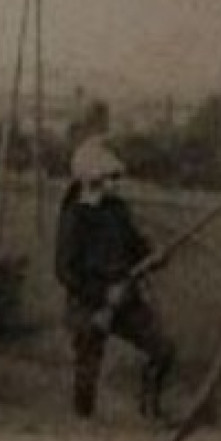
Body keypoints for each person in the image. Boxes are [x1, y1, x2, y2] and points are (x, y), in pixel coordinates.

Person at [55, 135, 174, 421]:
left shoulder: (117, 210)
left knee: (163, 350)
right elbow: (65, 270)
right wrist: (101, 295)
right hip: (88, 302)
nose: (116, 182)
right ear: (91, 178)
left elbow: (136, 247)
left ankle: (150, 408)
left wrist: (155, 256)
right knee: (87, 365)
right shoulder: (74, 217)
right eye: (110, 176)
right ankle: (84, 422)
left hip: (126, 295)